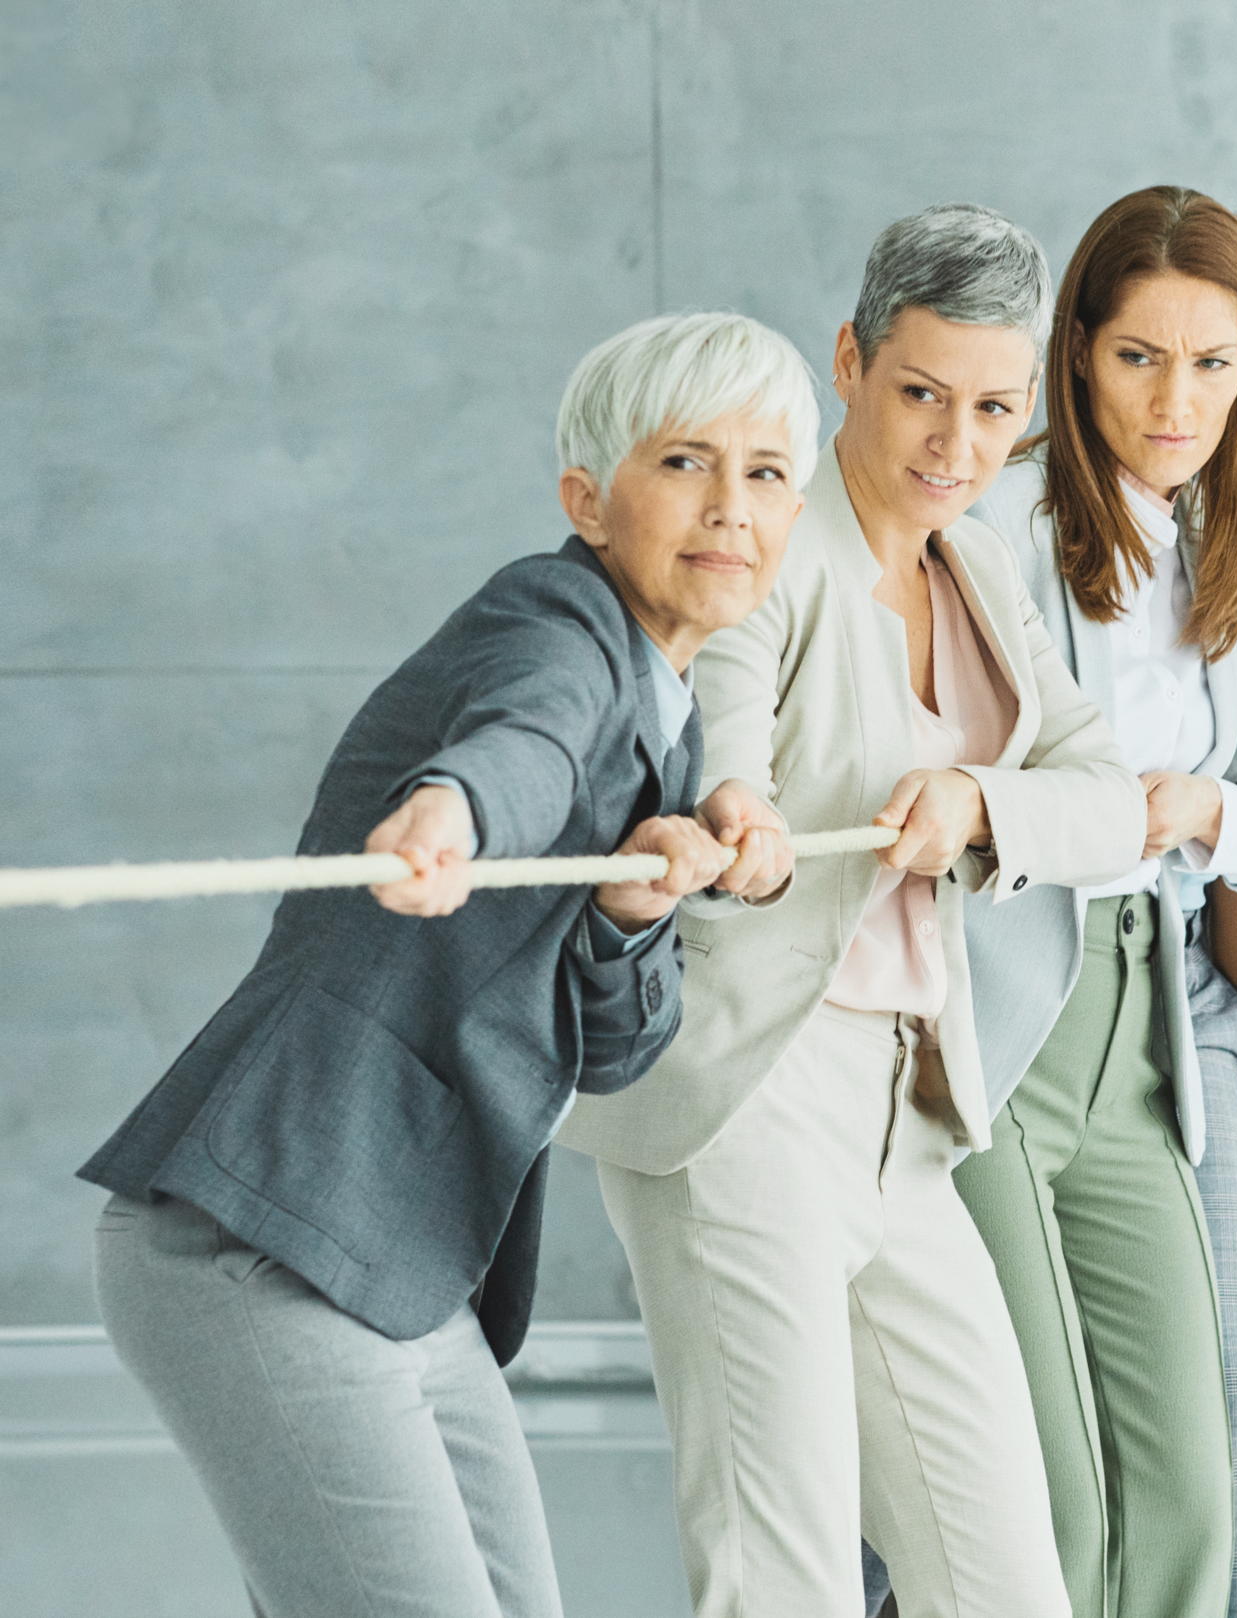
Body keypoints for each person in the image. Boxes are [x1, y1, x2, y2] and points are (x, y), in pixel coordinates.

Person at [80, 310, 811, 1618]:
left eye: (764, 473)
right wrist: (458, 810)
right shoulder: (556, 622)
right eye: (684, 462)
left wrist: (630, 913)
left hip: (409, 1264)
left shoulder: (672, 721)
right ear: (588, 500)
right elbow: (526, 733)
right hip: (266, 1241)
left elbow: (618, 1046)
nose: (729, 506)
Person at [560, 207, 1148, 1618]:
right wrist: (740, 819)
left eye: (996, 408)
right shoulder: (768, 539)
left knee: (1007, 1578)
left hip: (907, 1103)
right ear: (850, 361)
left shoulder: (980, 565)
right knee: (787, 1574)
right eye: (922, 393)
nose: (956, 442)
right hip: (749, 1091)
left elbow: (1113, 795)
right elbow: (727, 736)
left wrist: (978, 803)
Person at [951, 184, 1237, 1618]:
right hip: (1002, 991)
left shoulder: (1228, 554)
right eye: (1138, 358)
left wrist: (1199, 811)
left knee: (1198, 1448)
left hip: (1157, 1003)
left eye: (1215, 365)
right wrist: (1128, 813)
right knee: (1033, 1456)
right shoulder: (990, 527)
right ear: (1076, 353)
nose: (1178, 400)